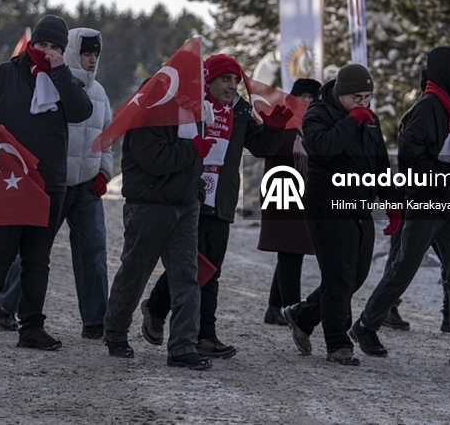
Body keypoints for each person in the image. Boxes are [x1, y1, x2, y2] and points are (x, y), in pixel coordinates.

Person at [354, 46, 450, 368]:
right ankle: (365, 324)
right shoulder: (430, 107)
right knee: (404, 267)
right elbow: (409, 155)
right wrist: (445, 177)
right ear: (447, 73)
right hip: (426, 203)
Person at [143, 54, 288, 359]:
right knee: (189, 268)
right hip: (189, 198)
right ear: (208, 80)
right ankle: (157, 308)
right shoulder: (193, 109)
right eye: (225, 79)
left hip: (220, 201)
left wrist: (275, 128)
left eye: (236, 80)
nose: (232, 85)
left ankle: (205, 335)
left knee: (211, 271)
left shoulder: (242, 112)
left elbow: (261, 146)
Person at [0, 15, 92, 350]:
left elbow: (81, 112)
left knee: (37, 260)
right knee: (0, 251)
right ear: (31, 43)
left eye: (55, 47)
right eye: (42, 44)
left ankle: (31, 327)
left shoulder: (66, 79)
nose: (47, 52)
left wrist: (61, 71)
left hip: (49, 182)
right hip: (8, 179)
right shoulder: (4, 74)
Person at [0, 28, 116, 338]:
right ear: (73, 52)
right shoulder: (50, 86)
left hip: (88, 187)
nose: (92, 60)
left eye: (96, 54)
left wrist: (104, 172)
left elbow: (106, 137)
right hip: (55, 185)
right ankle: (4, 305)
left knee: (94, 249)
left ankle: (94, 320)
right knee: (36, 252)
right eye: (86, 53)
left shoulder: (100, 93)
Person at [281, 65, 398, 365]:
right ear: (340, 93)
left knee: (355, 275)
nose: (363, 103)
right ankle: (338, 343)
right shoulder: (318, 113)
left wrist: (392, 202)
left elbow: (380, 163)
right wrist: (350, 121)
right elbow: (322, 148)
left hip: (359, 205)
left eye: (368, 97)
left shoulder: (370, 120)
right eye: (356, 97)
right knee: (339, 275)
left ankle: (303, 316)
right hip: (327, 204)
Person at [103, 109, 214, 369]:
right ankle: (115, 332)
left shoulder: (193, 115)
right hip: (148, 207)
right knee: (135, 272)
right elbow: (155, 160)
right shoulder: (147, 115)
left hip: (184, 208)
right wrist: (192, 150)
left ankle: (182, 346)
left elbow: (194, 164)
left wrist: (196, 192)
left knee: (187, 277)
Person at [259, 78, 320, 324]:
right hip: (281, 191)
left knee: (292, 252)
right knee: (290, 252)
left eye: (312, 98)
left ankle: (275, 308)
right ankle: (291, 309)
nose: (306, 102)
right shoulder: (281, 120)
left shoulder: (313, 126)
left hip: (303, 195)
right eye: (302, 96)